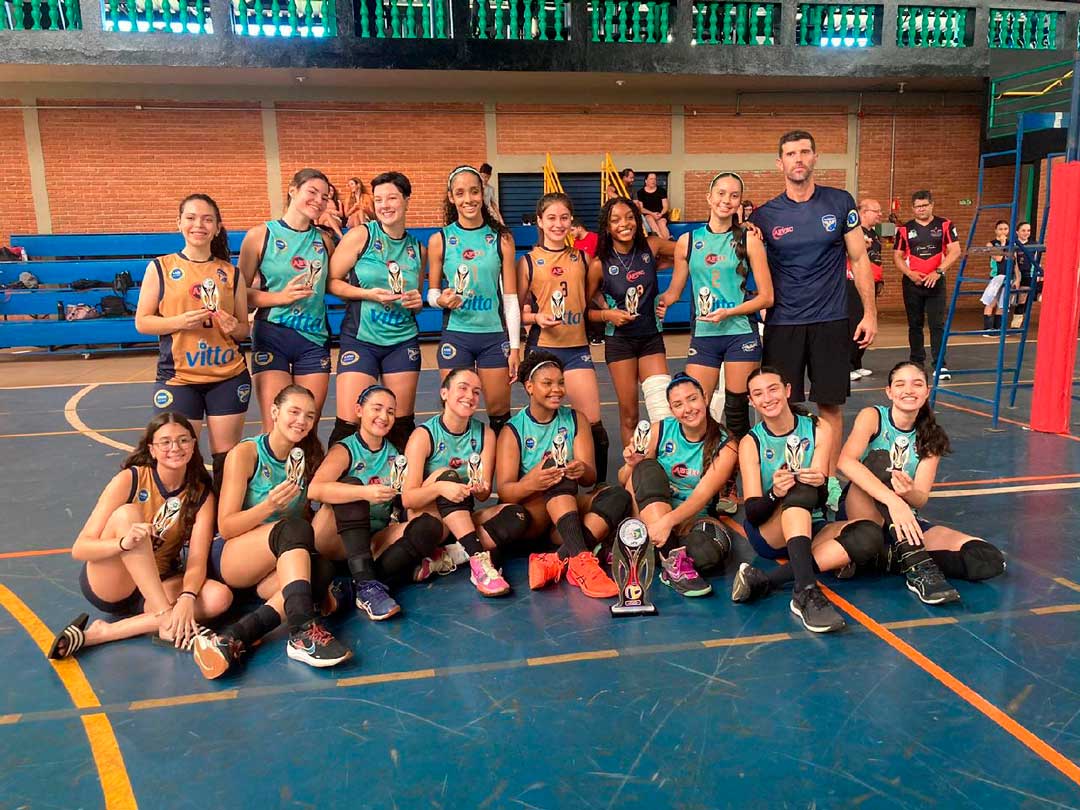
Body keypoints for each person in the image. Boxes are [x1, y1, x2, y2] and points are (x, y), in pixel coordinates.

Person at [751, 130, 877, 511]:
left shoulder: (839, 202)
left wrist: (869, 312)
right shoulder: (764, 215)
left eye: (804, 151)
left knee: (829, 405)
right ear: (780, 163)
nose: (798, 159)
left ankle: (829, 483)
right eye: (790, 153)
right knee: (777, 404)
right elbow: (751, 266)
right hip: (783, 324)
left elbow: (859, 259)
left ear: (815, 157)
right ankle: (778, 477)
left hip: (831, 319)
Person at [193, 384, 351, 678]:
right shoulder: (246, 453)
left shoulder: (302, 460)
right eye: (294, 412)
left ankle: (233, 638)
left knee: (320, 571)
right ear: (275, 412)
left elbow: (303, 520)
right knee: (291, 530)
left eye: (309, 416)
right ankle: (303, 632)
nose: (301, 421)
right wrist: (267, 506)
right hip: (234, 556)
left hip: (274, 560)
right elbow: (226, 526)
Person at [48, 413, 232, 660]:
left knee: (220, 597)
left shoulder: (201, 495)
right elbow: (80, 549)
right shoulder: (131, 479)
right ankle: (166, 617)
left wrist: (187, 598)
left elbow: (197, 561)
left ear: (193, 445)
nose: (175, 448)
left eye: (183, 440)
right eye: (165, 442)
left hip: (158, 582)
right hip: (112, 581)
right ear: (152, 450)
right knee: (128, 514)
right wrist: (124, 544)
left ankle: (103, 633)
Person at [730, 367, 885, 634]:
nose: (767, 398)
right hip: (770, 530)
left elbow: (821, 500)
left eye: (773, 389)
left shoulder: (817, 428)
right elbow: (753, 513)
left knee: (869, 534)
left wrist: (821, 484)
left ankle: (766, 580)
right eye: (758, 394)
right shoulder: (751, 442)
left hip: (812, 526)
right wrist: (774, 493)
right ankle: (806, 592)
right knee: (797, 493)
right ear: (751, 402)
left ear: (788, 390)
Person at [837, 361, 1006, 603]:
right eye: (900, 384)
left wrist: (907, 494)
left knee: (986, 558)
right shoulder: (873, 416)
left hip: (904, 520)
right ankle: (918, 569)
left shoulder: (931, 436)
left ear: (927, 391)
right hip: (864, 511)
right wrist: (894, 501)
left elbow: (920, 498)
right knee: (881, 463)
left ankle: (884, 557)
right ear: (889, 392)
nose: (909, 390)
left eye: (917, 384)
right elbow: (846, 462)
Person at [135, 193, 251, 492]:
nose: (198, 224)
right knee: (178, 456)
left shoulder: (230, 272)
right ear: (179, 223)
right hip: (179, 378)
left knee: (226, 458)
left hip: (227, 376)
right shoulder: (160, 267)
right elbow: (143, 322)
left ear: (217, 227)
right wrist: (179, 322)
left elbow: (243, 331)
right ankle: (187, 521)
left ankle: (224, 522)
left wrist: (231, 326)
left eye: (207, 219)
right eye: (191, 217)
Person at [309, 385, 446, 621]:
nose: (384, 417)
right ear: (359, 410)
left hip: (372, 540)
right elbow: (314, 490)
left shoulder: (395, 455)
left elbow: (406, 500)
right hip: (334, 540)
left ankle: (360, 587)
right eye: (377, 408)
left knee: (428, 527)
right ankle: (367, 584)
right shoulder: (345, 449)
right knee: (351, 487)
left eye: (391, 412)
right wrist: (365, 492)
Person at [497, 352, 627, 599]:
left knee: (617, 495)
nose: (556, 389)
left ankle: (560, 559)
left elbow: (589, 478)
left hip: (565, 514)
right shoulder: (513, 430)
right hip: (534, 518)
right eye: (548, 383)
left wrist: (582, 469)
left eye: (561, 382)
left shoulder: (575, 419)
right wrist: (532, 482)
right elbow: (505, 491)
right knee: (553, 469)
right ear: (530, 387)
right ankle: (583, 562)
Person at [660, 172, 773, 442]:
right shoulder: (688, 242)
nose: (727, 200)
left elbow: (767, 297)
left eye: (734, 196)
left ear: (740, 203)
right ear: (709, 197)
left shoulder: (750, 239)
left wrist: (729, 311)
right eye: (721, 193)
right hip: (705, 336)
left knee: (735, 412)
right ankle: (708, 472)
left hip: (739, 333)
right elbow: (674, 292)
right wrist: (653, 302)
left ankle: (738, 472)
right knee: (697, 409)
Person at [401, 367, 532, 596]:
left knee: (517, 515)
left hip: (462, 520)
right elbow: (408, 498)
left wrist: (479, 487)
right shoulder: (424, 435)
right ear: (444, 393)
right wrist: (441, 487)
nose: (470, 396)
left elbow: (482, 495)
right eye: (463, 388)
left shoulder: (485, 434)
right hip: (430, 521)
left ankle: (448, 555)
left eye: (476, 391)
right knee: (447, 475)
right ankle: (478, 562)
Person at [328, 171, 425, 452]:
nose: (385, 205)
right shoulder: (362, 235)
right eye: (379, 199)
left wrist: (416, 303)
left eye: (392, 198)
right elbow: (332, 282)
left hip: (402, 340)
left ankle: (399, 493)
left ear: (406, 200)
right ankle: (336, 492)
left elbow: (415, 298)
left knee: (400, 424)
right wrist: (366, 294)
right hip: (361, 340)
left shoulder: (417, 248)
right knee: (349, 424)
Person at [617, 373, 738, 597]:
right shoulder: (658, 431)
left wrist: (667, 523)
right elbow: (626, 481)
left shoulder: (726, 445)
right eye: (678, 404)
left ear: (705, 397)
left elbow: (702, 495)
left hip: (690, 517)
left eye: (692, 399)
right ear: (672, 410)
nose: (688, 408)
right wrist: (631, 465)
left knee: (707, 553)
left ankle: (652, 547)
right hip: (652, 510)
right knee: (645, 468)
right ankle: (675, 563)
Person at [519, 192, 611, 481]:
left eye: (564, 218)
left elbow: (594, 295)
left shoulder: (583, 258)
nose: (558, 224)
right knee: (543, 423)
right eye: (551, 218)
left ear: (571, 221)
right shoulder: (528, 262)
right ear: (540, 221)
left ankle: (597, 488)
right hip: (542, 349)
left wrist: (611, 311)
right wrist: (536, 317)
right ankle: (539, 480)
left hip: (576, 350)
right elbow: (513, 312)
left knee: (593, 422)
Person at [239, 168, 335, 433]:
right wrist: (280, 298)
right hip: (273, 336)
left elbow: (337, 284)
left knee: (306, 427)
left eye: (325, 197)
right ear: (293, 190)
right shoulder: (260, 235)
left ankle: (307, 476)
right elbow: (239, 295)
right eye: (312, 192)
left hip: (313, 339)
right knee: (276, 428)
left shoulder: (325, 241)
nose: (319, 200)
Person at [428, 165, 521, 438]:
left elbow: (511, 297)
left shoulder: (501, 239)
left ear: (483, 194)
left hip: (493, 335)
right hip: (457, 336)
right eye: (460, 193)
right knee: (456, 411)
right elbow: (432, 293)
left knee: (499, 412)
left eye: (473, 191)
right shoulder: (440, 239)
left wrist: (515, 346)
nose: (468, 199)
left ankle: (504, 479)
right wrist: (442, 300)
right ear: (451, 197)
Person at [588, 197, 675, 446]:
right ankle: (632, 474)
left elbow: (692, 250)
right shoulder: (599, 265)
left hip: (650, 338)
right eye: (615, 220)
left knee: (662, 409)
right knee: (630, 416)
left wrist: (671, 294)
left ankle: (665, 466)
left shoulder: (652, 246)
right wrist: (608, 315)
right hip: (620, 344)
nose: (624, 224)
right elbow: (584, 312)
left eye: (629, 217)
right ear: (606, 227)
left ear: (637, 220)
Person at [892, 190, 960, 380]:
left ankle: (940, 364)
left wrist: (938, 272)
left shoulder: (945, 225)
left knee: (937, 324)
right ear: (913, 208)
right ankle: (916, 363)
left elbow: (955, 251)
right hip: (912, 283)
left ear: (931, 205)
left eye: (924, 205)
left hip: (936, 283)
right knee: (915, 324)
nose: (921, 209)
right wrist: (910, 274)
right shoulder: (905, 229)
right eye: (917, 206)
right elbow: (897, 256)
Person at [848, 198, 885, 382]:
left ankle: (857, 363)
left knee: (867, 321)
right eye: (875, 211)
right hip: (853, 285)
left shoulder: (875, 234)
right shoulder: (853, 233)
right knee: (853, 322)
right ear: (862, 212)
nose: (880, 214)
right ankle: (846, 365)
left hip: (872, 284)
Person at [980, 220, 1019, 336]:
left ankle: (998, 328)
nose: (1003, 231)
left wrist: (1017, 278)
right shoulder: (991, 244)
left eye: (1005, 229)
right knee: (992, 301)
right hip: (996, 276)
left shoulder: (1012, 244)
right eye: (1000, 229)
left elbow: (1015, 262)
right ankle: (987, 329)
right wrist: (1002, 244)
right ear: (996, 230)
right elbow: (998, 258)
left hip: (1009, 276)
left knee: (1003, 303)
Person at [636, 172, 672, 239]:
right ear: (646, 181)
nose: (653, 181)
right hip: (648, 214)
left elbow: (665, 206)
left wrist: (661, 214)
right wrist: (652, 214)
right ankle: (661, 240)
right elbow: (641, 208)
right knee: (650, 220)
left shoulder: (661, 191)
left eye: (655, 179)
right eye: (651, 179)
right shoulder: (640, 192)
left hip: (660, 214)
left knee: (662, 224)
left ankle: (667, 240)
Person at [1011, 220, 1034, 327]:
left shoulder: (1034, 244)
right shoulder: (1014, 244)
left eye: (1028, 230)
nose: (1026, 233)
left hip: (1029, 274)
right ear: (1017, 232)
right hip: (1016, 274)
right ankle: (1013, 324)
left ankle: (1017, 323)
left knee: (1024, 298)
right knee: (1018, 299)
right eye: (1023, 230)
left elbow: (1036, 260)